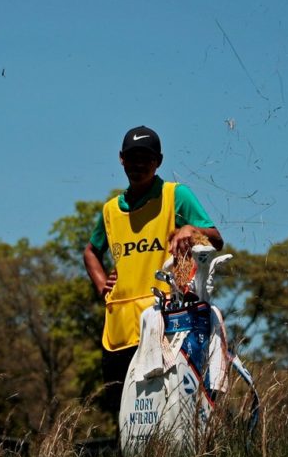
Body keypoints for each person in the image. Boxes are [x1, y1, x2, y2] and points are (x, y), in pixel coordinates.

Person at [83, 125, 223, 421]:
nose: (138, 165)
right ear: (121, 159)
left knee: (173, 416)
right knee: (124, 421)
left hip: (168, 327)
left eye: (145, 158)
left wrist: (190, 229)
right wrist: (102, 286)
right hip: (120, 329)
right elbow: (91, 251)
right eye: (132, 158)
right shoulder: (110, 210)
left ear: (158, 161)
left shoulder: (176, 195)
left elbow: (215, 238)